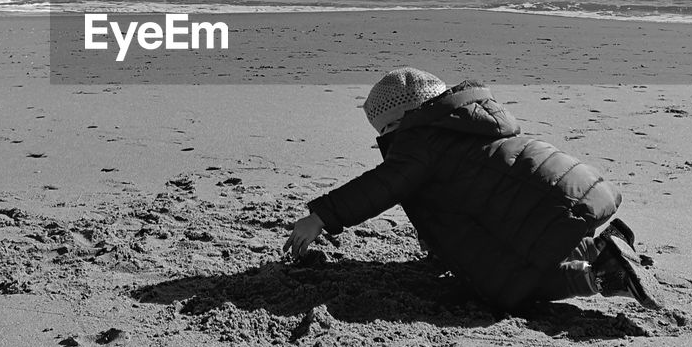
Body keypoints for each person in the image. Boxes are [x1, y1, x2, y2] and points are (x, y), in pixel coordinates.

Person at [282, 68, 665, 312]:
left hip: (533, 208)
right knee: (543, 238)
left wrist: (321, 217)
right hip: (565, 189)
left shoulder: (420, 143)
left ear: (398, 123)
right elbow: (445, 197)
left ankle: (601, 276)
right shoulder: (469, 122)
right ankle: (601, 246)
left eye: (383, 133)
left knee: (510, 285)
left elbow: (382, 186)